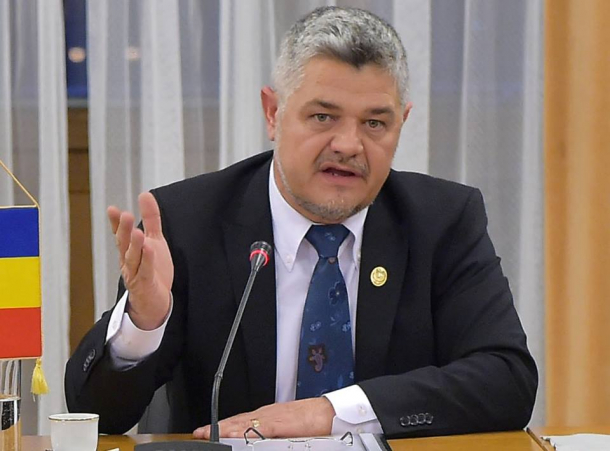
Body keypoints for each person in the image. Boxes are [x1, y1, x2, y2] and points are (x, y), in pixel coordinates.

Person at [65, 6, 537, 440]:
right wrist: (144, 325)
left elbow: (507, 380)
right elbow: (97, 414)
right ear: (273, 113)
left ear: (402, 123)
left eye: (375, 123)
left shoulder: (442, 221)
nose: (348, 145)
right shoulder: (190, 223)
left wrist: (329, 413)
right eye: (323, 116)